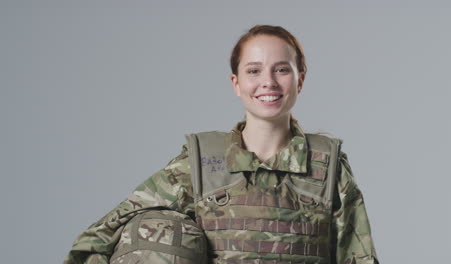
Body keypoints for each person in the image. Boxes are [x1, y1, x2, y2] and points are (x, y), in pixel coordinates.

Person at [65, 25, 379, 264]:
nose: (267, 82)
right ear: (236, 83)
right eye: (253, 71)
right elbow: (100, 236)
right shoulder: (202, 164)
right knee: (154, 230)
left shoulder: (327, 166)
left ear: (300, 79)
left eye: (281, 69)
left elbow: (360, 257)